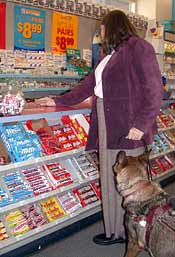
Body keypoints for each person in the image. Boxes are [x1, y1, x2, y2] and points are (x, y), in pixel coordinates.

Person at [35, 10, 163, 245]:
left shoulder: (139, 47)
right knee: (110, 176)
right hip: (106, 123)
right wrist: (56, 100)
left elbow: (155, 91)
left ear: (113, 26)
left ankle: (136, 235)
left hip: (129, 125)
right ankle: (115, 230)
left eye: (102, 28)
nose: (100, 33)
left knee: (132, 183)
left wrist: (141, 124)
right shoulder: (107, 55)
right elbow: (86, 87)